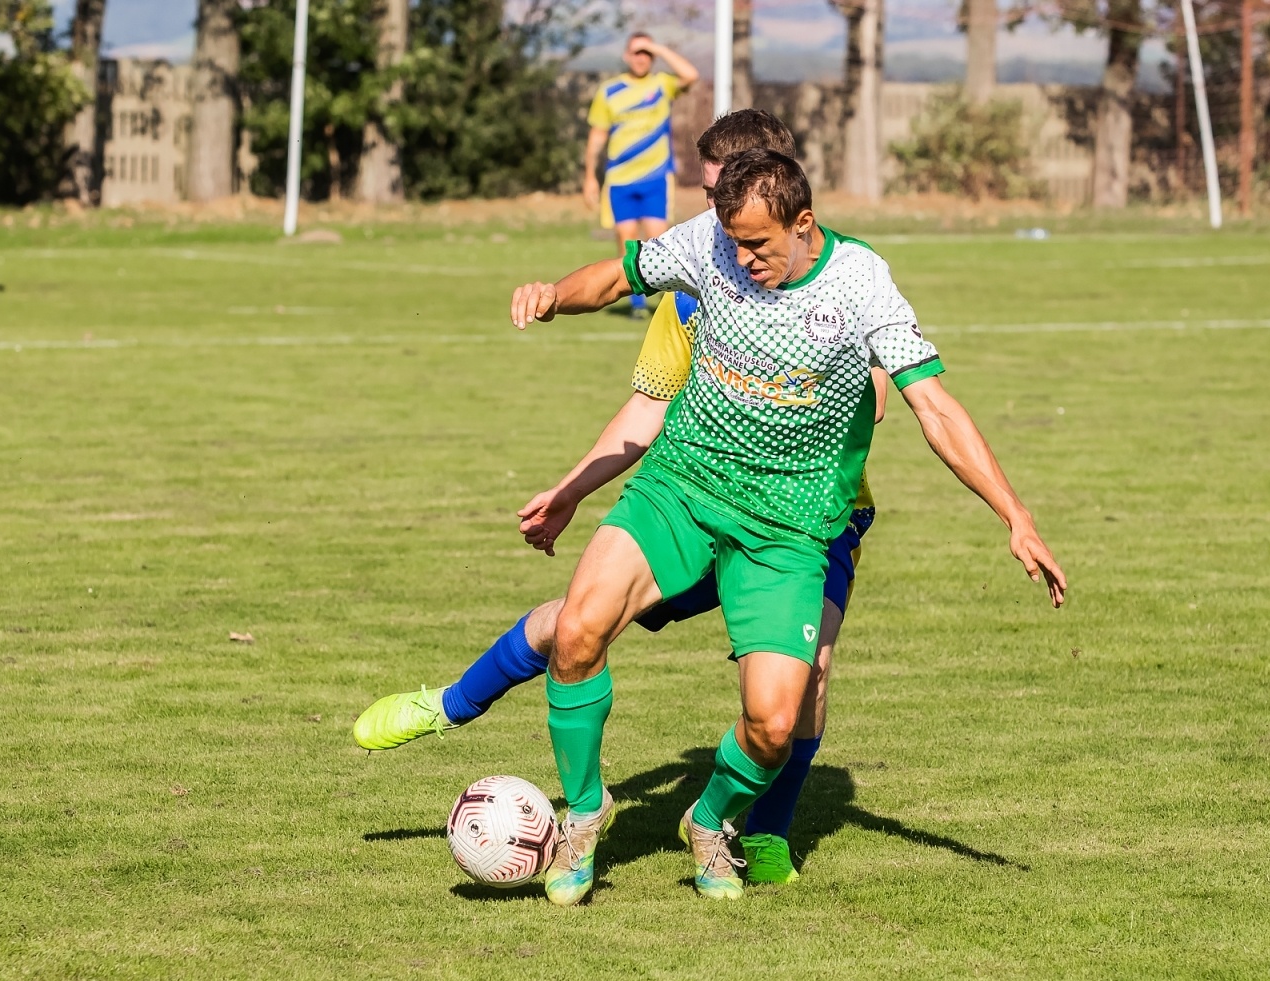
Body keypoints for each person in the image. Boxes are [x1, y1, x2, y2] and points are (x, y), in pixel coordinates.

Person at [500, 149, 1065, 905]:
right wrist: (553, 296)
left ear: (804, 223)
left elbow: (934, 406)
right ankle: (583, 814)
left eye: (758, 245)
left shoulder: (860, 283)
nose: (742, 259)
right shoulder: (711, 241)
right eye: (734, 243)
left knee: (773, 724)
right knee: (576, 632)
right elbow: (618, 276)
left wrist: (1015, 515)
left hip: (788, 526)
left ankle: (709, 820)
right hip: (683, 487)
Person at [355, 111, 883, 886]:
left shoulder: (844, 278)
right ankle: (453, 703)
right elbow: (648, 407)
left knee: (809, 675)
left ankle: (764, 831)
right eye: (709, 198)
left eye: (720, 196)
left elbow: (882, 391)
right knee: (576, 622)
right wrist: (571, 490)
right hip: (702, 496)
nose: (709, 214)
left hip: (808, 519)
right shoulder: (695, 282)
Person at [584, 32, 699, 318]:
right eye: (637, 52)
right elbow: (597, 136)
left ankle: (669, 305)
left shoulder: (662, 84)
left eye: (647, 53)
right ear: (626, 56)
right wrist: (589, 176)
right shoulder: (610, 91)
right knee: (627, 241)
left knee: (659, 243)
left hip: (655, 179)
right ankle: (638, 306)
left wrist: (658, 47)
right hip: (620, 180)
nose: (642, 58)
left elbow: (690, 75)